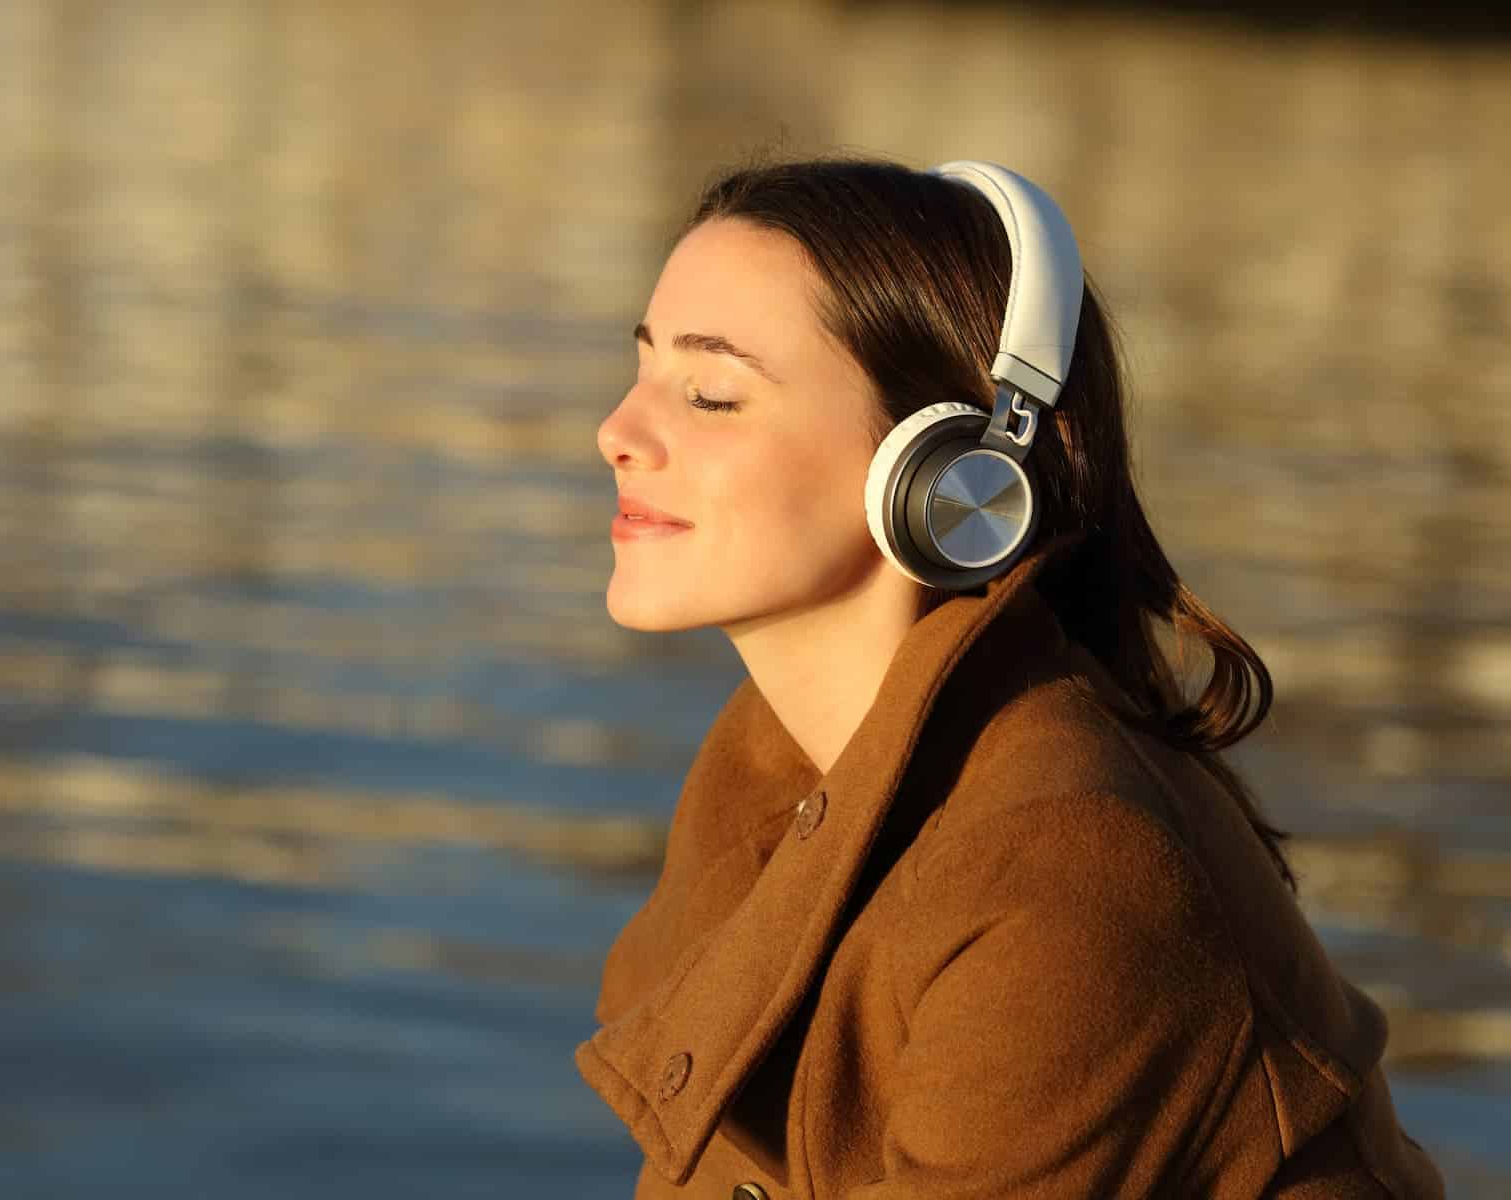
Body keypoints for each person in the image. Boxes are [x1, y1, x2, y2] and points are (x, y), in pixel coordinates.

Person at [580, 155, 1445, 1199]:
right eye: (642, 370)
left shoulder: (1061, 867)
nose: (617, 434)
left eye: (712, 395)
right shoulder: (773, 782)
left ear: (952, 473)